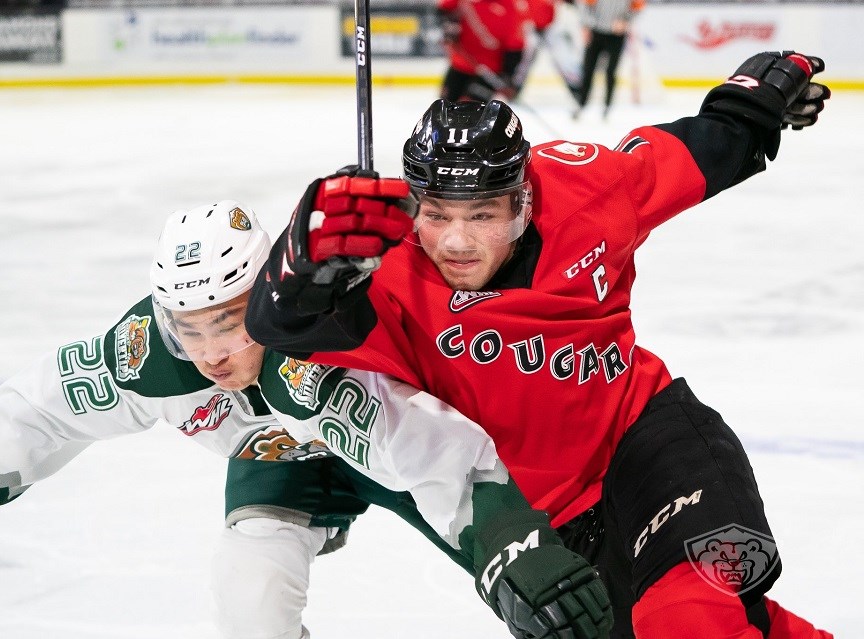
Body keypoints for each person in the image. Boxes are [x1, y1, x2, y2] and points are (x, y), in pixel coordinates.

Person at [246, 51, 833, 638]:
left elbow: (705, 147)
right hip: (551, 525)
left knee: (689, 623)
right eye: (435, 214)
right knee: (743, 625)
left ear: (522, 200)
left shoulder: (587, 190)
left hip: (650, 447)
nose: (455, 241)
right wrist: (300, 268)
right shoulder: (384, 273)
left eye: (482, 215)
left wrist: (755, 105)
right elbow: (278, 333)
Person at [0, 201, 611, 638]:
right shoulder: (149, 357)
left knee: (545, 596)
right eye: (189, 330)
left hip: (392, 453)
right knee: (248, 594)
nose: (209, 353)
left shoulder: (312, 357)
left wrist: (511, 545)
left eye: (228, 323)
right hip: (281, 461)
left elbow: (432, 453)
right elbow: (42, 408)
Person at [437, 0, 542, 102]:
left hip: (490, 70)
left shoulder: (514, 8)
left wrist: (508, 77)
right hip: (460, 64)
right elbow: (445, 8)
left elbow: (516, 48)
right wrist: (449, 25)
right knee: (444, 108)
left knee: (471, 110)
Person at [572, 0, 645, 119]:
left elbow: (638, 7)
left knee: (611, 71)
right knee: (588, 69)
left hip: (617, 35)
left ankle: (607, 106)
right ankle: (581, 104)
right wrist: (586, 25)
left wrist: (626, 21)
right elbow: (585, 6)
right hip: (596, 31)